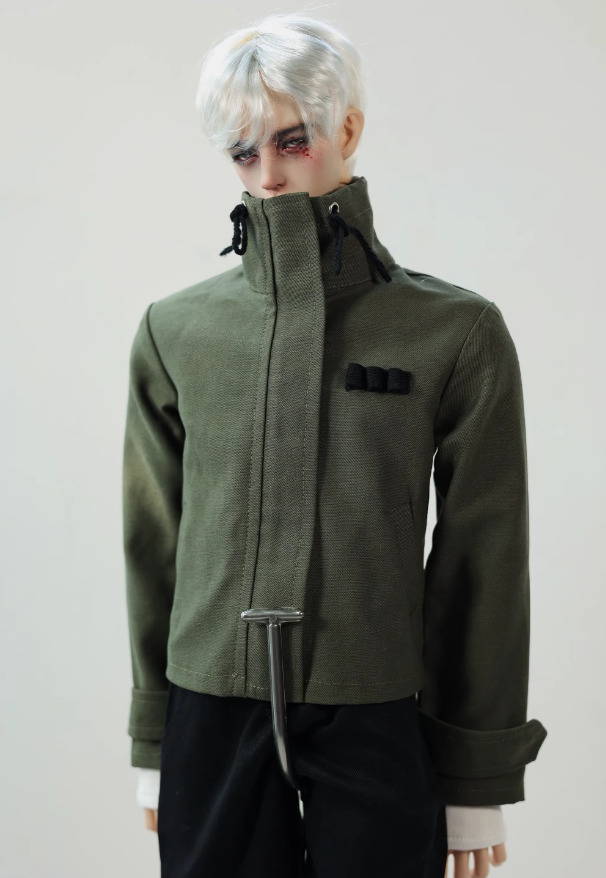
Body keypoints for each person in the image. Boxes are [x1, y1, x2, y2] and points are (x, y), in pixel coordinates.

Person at [122, 12, 548, 878]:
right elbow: (153, 546)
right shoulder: (176, 332)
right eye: (243, 153)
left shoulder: (454, 332)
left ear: (347, 129)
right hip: (211, 715)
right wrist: (155, 737)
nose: (270, 175)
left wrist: (475, 773)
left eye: (292, 140)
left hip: (377, 717)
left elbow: (483, 562)